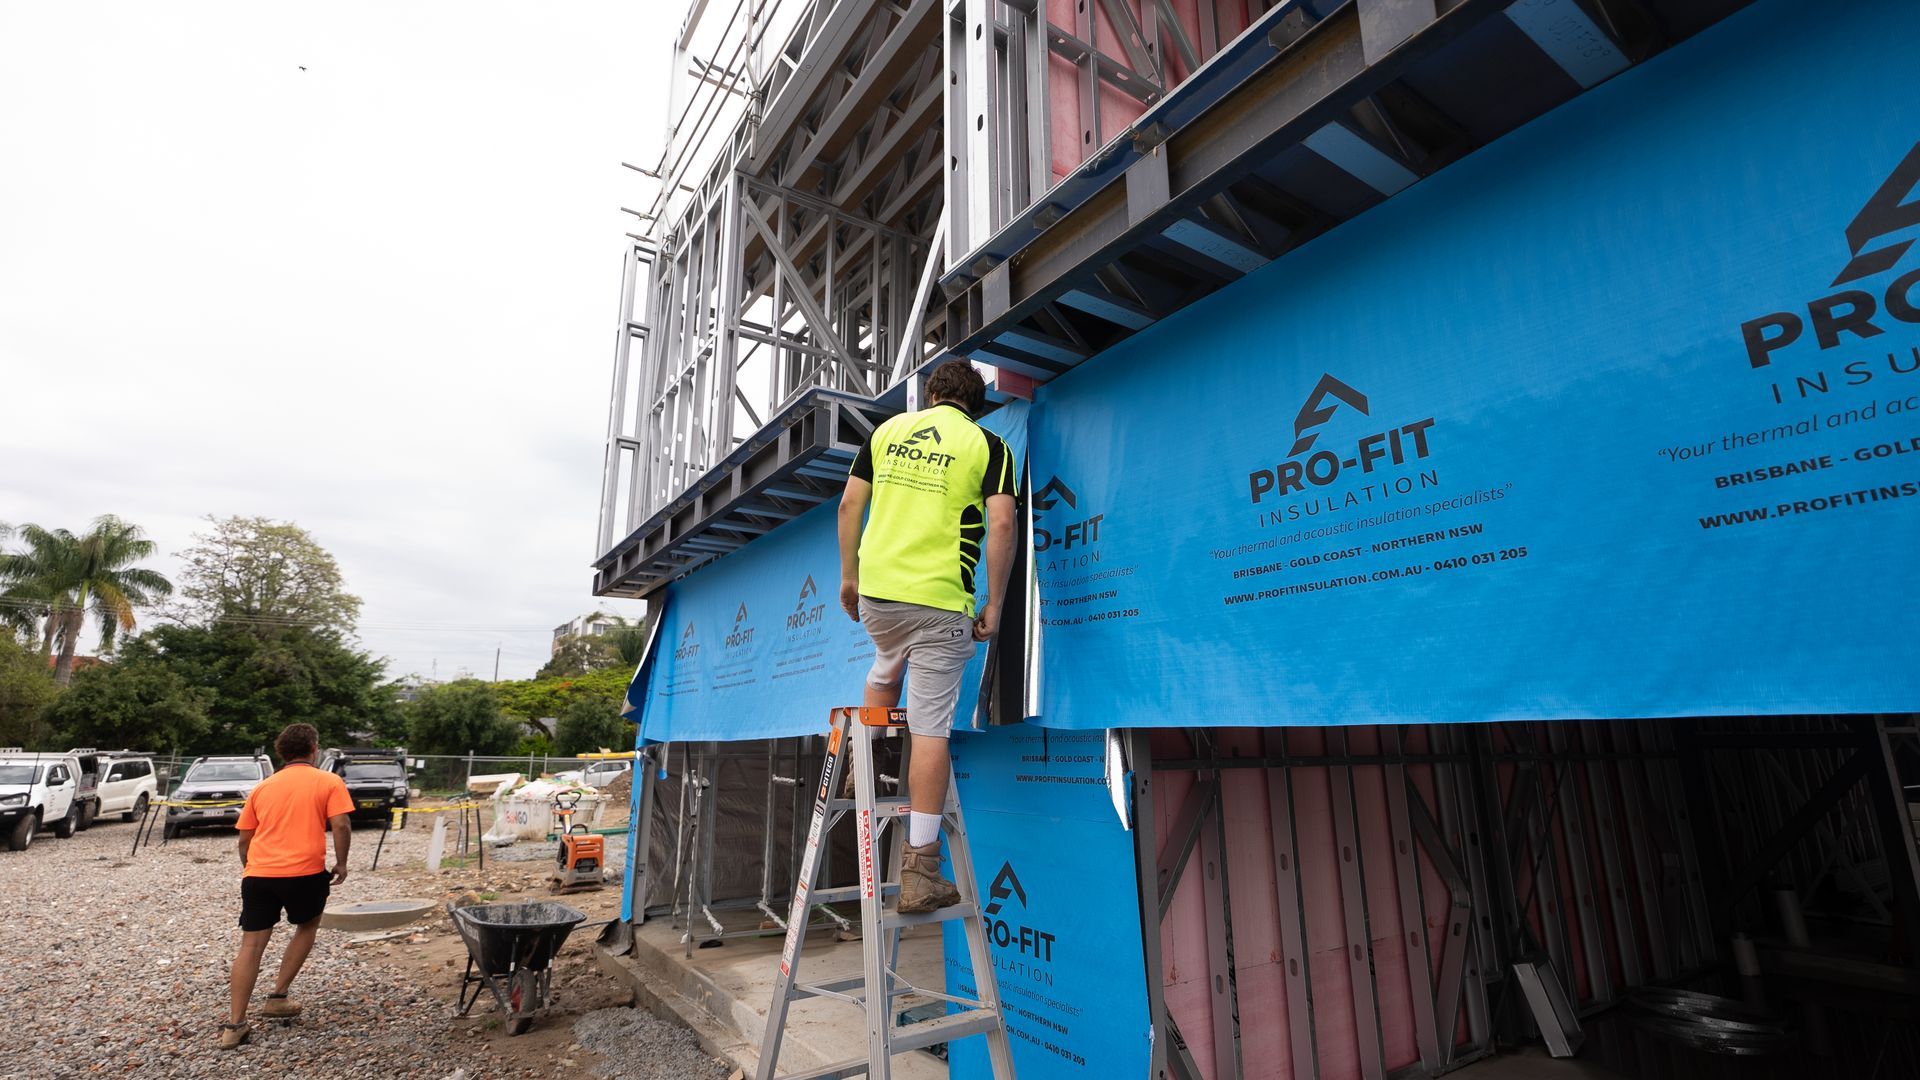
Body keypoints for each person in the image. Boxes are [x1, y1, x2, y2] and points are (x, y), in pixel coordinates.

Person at [838, 359, 1017, 913]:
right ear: (976, 402)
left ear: (932, 393)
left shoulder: (885, 433)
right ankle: (920, 866)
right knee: (931, 729)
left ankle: (860, 768)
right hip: (942, 602)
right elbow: (1003, 525)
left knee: (884, 664)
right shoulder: (990, 445)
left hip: (881, 594)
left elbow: (849, 504)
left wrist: (849, 576)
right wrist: (996, 601)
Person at [219, 722, 353, 1049]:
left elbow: (243, 840)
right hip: (305, 872)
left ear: (281, 752)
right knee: (306, 927)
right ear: (313, 748)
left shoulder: (263, 788)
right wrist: (341, 862)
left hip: (259, 874)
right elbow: (341, 824)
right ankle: (278, 996)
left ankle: (234, 1025)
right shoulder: (329, 781)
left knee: (250, 945)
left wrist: (251, 869)